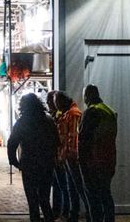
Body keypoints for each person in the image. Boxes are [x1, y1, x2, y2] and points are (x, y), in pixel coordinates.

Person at [8, 93, 60, 222]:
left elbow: (12, 143)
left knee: (32, 201)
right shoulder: (48, 120)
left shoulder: (22, 122)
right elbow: (57, 141)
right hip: (46, 164)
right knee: (44, 199)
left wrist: (14, 161)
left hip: (29, 164)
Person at [78, 85, 117, 222]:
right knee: (106, 196)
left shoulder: (90, 112)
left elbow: (83, 141)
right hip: (108, 161)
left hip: (93, 164)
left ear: (87, 96)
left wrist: (82, 164)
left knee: (93, 200)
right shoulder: (109, 111)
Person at [54, 91, 84, 222]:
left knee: (78, 187)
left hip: (72, 158)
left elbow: (72, 138)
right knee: (72, 187)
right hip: (68, 157)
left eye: (57, 104)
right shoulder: (67, 114)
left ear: (63, 101)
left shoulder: (73, 114)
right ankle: (73, 214)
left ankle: (87, 213)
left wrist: (68, 156)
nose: (57, 107)